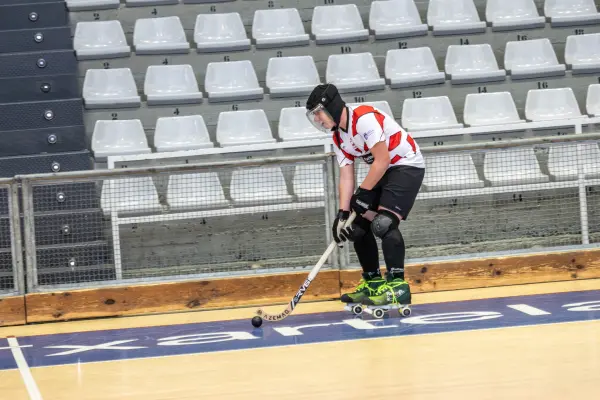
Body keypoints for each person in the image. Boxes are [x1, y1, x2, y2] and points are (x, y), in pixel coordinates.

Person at [305, 84, 425, 308]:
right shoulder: (339, 137)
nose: (319, 120)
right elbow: (346, 177)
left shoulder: (363, 118)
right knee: (356, 226)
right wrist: (342, 214)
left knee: (383, 224)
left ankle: (397, 288)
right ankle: (374, 283)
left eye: (319, 113)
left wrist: (363, 194)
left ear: (331, 106)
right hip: (382, 172)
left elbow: (382, 160)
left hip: (405, 165)